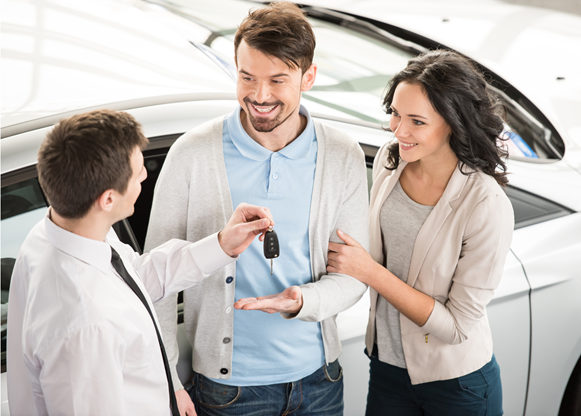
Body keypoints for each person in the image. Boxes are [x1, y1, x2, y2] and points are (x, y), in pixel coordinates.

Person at [144, 2, 369, 415]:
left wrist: (300, 301)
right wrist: (168, 380)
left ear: (309, 77)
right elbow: (155, 279)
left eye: (277, 80)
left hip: (319, 382)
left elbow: (354, 276)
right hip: (226, 393)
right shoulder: (192, 155)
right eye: (247, 77)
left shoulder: (342, 155)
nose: (259, 96)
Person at [6, 109, 274, 416]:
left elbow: (135, 276)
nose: (146, 175)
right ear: (107, 200)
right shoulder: (84, 325)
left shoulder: (60, 231)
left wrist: (221, 244)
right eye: (137, 172)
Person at [327, 50, 514, 416]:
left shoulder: (485, 204)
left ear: (452, 122)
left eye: (417, 121)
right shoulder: (390, 158)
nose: (400, 131)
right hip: (387, 368)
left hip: (457, 386)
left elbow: (458, 326)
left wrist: (370, 273)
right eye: (395, 114)